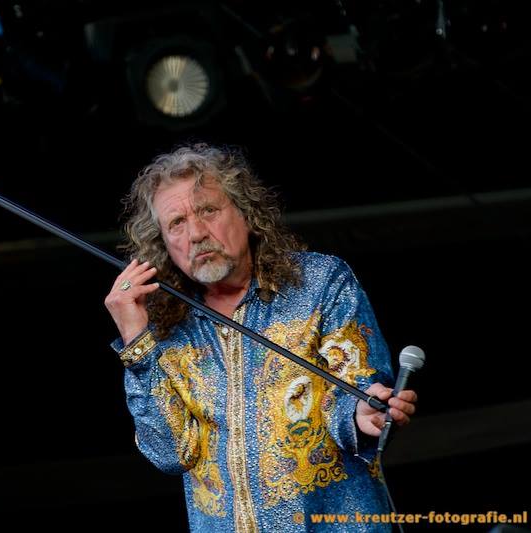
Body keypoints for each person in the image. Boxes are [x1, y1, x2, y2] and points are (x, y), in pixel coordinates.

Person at [104, 143, 417, 532]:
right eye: (177, 223)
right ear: (164, 245)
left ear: (247, 214)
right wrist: (136, 341)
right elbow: (169, 453)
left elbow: (355, 389)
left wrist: (361, 412)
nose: (196, 234)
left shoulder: (320, 283)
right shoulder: (163, 328)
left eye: (208, 210)